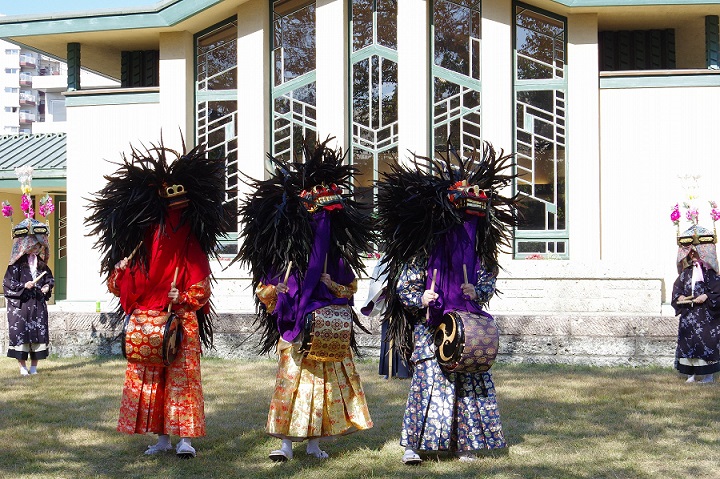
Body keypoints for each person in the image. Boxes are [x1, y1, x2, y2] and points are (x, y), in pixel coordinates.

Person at [86, 140, 231, 458]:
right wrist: (119, 271)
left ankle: (184, 440)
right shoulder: (145, 244)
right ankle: (163, 438)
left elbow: (202, 289)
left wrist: (184, 296)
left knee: (181, 380)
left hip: (182, 324)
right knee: (153, 381)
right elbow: (120, 288)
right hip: (149, 321)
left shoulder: (191, 244)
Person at [376, 140, 518, 464]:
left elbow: (488, 278)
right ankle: (414, 446)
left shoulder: (479, 249)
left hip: (466, 323)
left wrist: (477, 292)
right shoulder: (424, 248)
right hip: (432, 327)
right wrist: (419, 296)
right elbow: (404, 282)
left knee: (469, 384)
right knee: (427, 385)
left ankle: (465, 444)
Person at [232, 138, 374, 461]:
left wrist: (330, 284)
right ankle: (284, 444)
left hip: (323, 331)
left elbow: (349, 286)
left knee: (320, 391)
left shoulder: (334, 254)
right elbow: (266, 286)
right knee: (290, 386)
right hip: (295, 330)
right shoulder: (287, 253)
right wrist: (276, 294)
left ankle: (313, 443)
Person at [3, 166, 55, 376]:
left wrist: (45, 287)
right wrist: (23, 285)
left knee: (38, 335)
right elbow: (7, 285)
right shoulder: (15, 265)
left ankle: (34, 367)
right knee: (21, 335)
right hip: (21, 305)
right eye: (31, 245)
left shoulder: (42, 265)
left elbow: (50, 280)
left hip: (37, 304)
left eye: (37, 245)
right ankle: (22, 367)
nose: (35, 249)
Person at [670, 221, 720, 383]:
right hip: (689, 315)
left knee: (706, 342)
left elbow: (716, 290)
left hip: (706, 315)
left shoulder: (710, 273)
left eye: (695, 252)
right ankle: (691, 374)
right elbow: (677, 287)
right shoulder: (686, 273)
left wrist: (706, 296)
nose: (692, 255)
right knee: (688, 342)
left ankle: (708, 375)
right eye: (690, 253)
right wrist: (680, 297)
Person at [360, 255, 410, 379]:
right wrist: (384, 289)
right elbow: (377, 280)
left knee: (406, 334)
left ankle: (405, 370)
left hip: (406, 305)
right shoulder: (386, 258)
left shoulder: (410, 257)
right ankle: (389, 370)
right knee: (389, 335)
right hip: (390, 305)